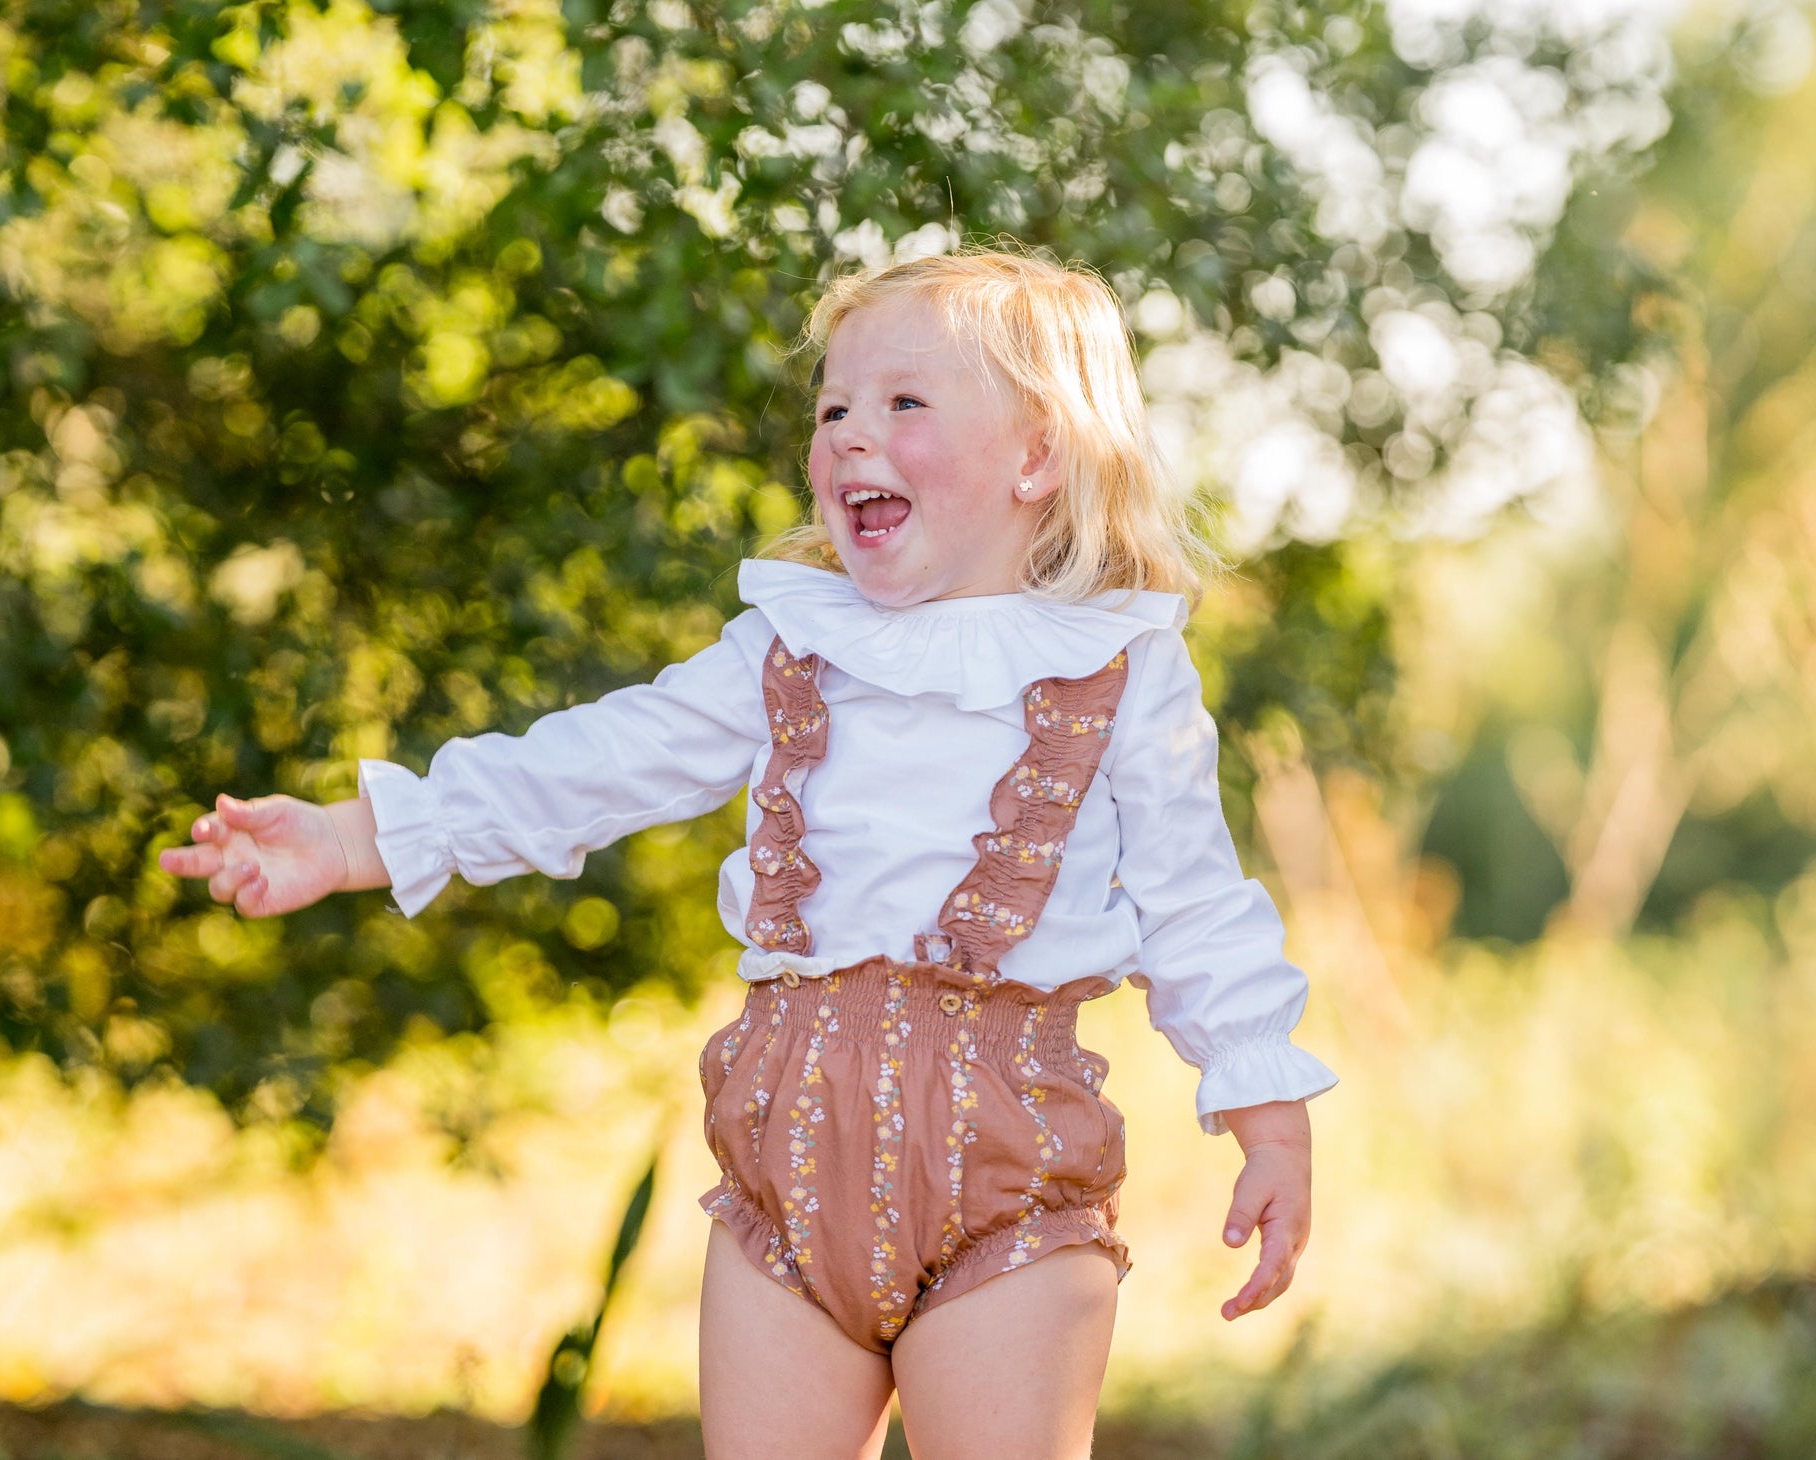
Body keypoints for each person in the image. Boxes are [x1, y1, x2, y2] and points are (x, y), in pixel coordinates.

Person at [158, 244, 1338, 1460]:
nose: (847, 435)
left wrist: (1267, 1113)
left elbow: (1196, 902)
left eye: (901, 403)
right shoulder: (788, 645)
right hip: (781, 1181)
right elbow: (596, 760)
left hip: (1008, 1185)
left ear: (1035, 452)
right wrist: (362, 833)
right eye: (832, 407)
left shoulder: (1118, 666)